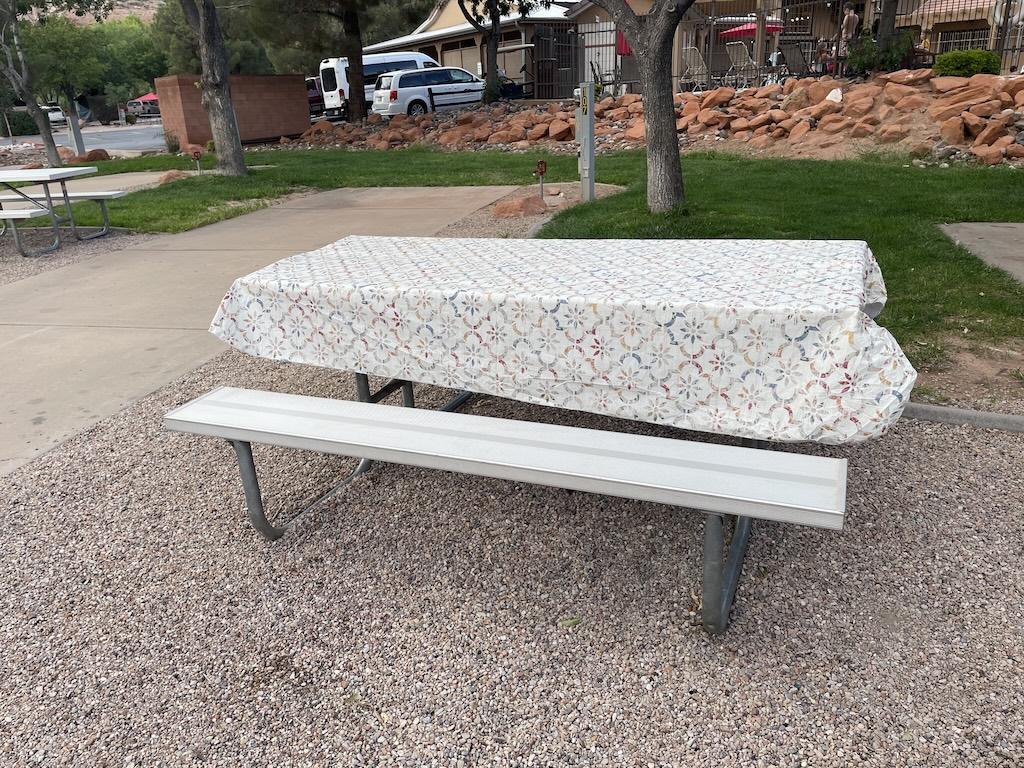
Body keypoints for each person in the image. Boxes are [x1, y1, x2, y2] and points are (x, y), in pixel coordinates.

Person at [836, 2, 859, 77]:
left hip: (845, 37)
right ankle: (848, 71)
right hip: (852, 36)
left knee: (842, 57)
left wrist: (836, 35)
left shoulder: (847, 17)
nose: (844, 12)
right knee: (850, 55)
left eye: (844, 10)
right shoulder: (856, 17)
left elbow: (844, 27)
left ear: (847, 9)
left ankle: (841, 73)